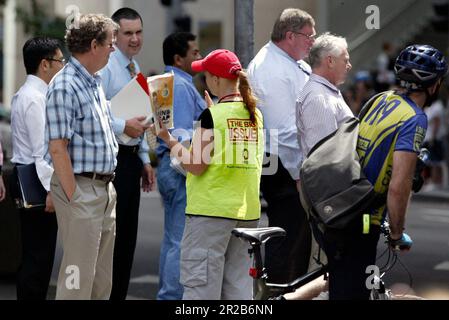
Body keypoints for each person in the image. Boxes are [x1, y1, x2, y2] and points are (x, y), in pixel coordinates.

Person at [317, 44, 447, 300]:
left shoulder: (380, 99)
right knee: (352, 293)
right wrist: (397, 233)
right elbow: (399, 186)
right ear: (434, 84)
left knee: (342, 286)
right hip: (363, 218)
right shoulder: (414, 118)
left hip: (337, 203)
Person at [153, 49, 264, 300]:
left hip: (210, 213)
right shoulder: (254, 113)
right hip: (246, 213)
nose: (204, 80)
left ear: (215, 80)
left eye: (205, 75)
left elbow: (196, 164)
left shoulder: (212, 116)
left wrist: (168, 140)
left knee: (201, 290)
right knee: (238, 289)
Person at [45, 14, 119, 300]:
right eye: (110, 43)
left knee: (100, 281)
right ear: (93, 45)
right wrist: (75, 196)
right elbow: (57, 147)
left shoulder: (93, 82)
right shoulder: (65, 85)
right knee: (77, 282)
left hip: (102, 189)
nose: (113, 49)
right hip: (82, 188)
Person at [247, 8, 315, 283]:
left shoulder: (289, 62)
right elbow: (282, 133)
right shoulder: (271, 69)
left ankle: (286, 289)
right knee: (287, 239)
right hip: (283, 166)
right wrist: (300, 173)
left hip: (291, 163)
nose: (313, 41)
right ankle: (276, 293)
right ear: (290, 36)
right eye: (308, 36)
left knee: (298, 240)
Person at [100, 7, 155, 300]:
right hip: (112, 159)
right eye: (128, 33)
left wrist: (145, 159)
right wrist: (123, 125)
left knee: (127, 239)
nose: (134, 39)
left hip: (132, 158)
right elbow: (93, 115)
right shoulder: (107, 68)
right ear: (114, 35)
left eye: (138, 32)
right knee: (113, 239)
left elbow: (141, 117)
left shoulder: (135, 68)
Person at [10, 37, 64, 300]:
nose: (62, 66)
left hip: (31, 178)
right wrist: (52, 190)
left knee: (36, 255)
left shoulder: (29, 93)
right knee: (38, 258)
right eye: (59, 61)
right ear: (45, 64)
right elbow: (41, 151)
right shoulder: (35, 98)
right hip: (37, 182)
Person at [156, 32, 205, 300]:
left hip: (167, 165)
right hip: (178, 168)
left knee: (171, 239)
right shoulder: (183, 86)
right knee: (179, 240)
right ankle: (171, 297)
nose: (199, 58)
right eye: (194, 53)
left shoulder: (165, 82)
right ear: (179, 58)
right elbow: (184, 136)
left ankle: (167, 293)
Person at [296, 33, 353, 156]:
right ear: (330, 61)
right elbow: (324, 158)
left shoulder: (324, 92)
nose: (349, 66)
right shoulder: (319, 97)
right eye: (346, 60)